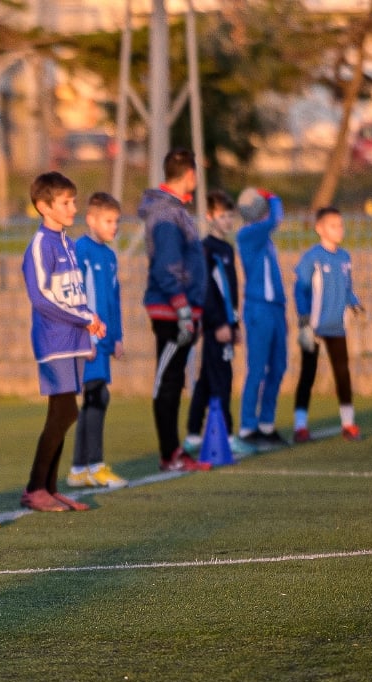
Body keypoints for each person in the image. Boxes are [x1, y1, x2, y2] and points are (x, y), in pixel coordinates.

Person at [19, 171, 104, 512]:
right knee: (64, 411)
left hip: (74, 340)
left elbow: (74, 293)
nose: (73, 207)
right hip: (53, 341)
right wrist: (85, 319)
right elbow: (41, 298)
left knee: (65, 412)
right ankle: (35, 488)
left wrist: (90, 326)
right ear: (43, 206)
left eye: (73, 201)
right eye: (65, 202)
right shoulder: (41, 245)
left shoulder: (67, 243)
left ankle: (49, 488)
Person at [138, 148, 211, 472]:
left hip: (182, 310)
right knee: (166, 381)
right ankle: (170, 454)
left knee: (174, 380)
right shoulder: (167, 214)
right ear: (190, 175)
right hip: (171, 312)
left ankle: (175, 450)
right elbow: (168, 266)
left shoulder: (176, 210)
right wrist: (183, 308)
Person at [182, 190, 254, 458]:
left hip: (227, 325)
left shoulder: (226, 248)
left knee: (206, 380)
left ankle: (192, 433)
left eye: (230, 216)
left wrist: (234, 324)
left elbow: (230, 291)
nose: (227, 221)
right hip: (215, 327)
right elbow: (207, 291)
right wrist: (217, 324)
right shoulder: (206, 249)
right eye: (222, 216)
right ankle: (229, 436)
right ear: (210, 217)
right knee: (221, 379)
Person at [67, 191, 127, 489]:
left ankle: (80, 469)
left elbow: (113, 300)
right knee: (95, 396)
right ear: (91, 220)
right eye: (108, 221)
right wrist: (82, 336)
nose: (114, 227)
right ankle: (94, 465)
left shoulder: (110, 256)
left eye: (116, 221)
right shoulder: (81, 250)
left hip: (104, 341)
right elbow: (76, 297)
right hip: (87, 339)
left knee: (95, 398)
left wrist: (117, 337)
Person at [292, 206, 364, 443]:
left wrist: (354, 303)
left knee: (342, 373)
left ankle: (348, 423)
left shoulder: (344, 257)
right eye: (334, 225)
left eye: (341, 225)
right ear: (319, 229)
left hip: (337, 326)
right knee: (308, 373)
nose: (339, 229)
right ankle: (300, 425)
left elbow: (347, 288)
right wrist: (303, 319)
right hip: (314, 326)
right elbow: (300, 288)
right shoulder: (312, 257)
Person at [236, 186, 289, 449]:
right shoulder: (248, 234)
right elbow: (276, 217)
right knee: (257, 369)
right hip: (258, 308)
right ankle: (248, 427)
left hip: (276, 308)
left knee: (278, 367)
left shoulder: (262, 237)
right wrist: (272, 195)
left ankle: (266, 425)